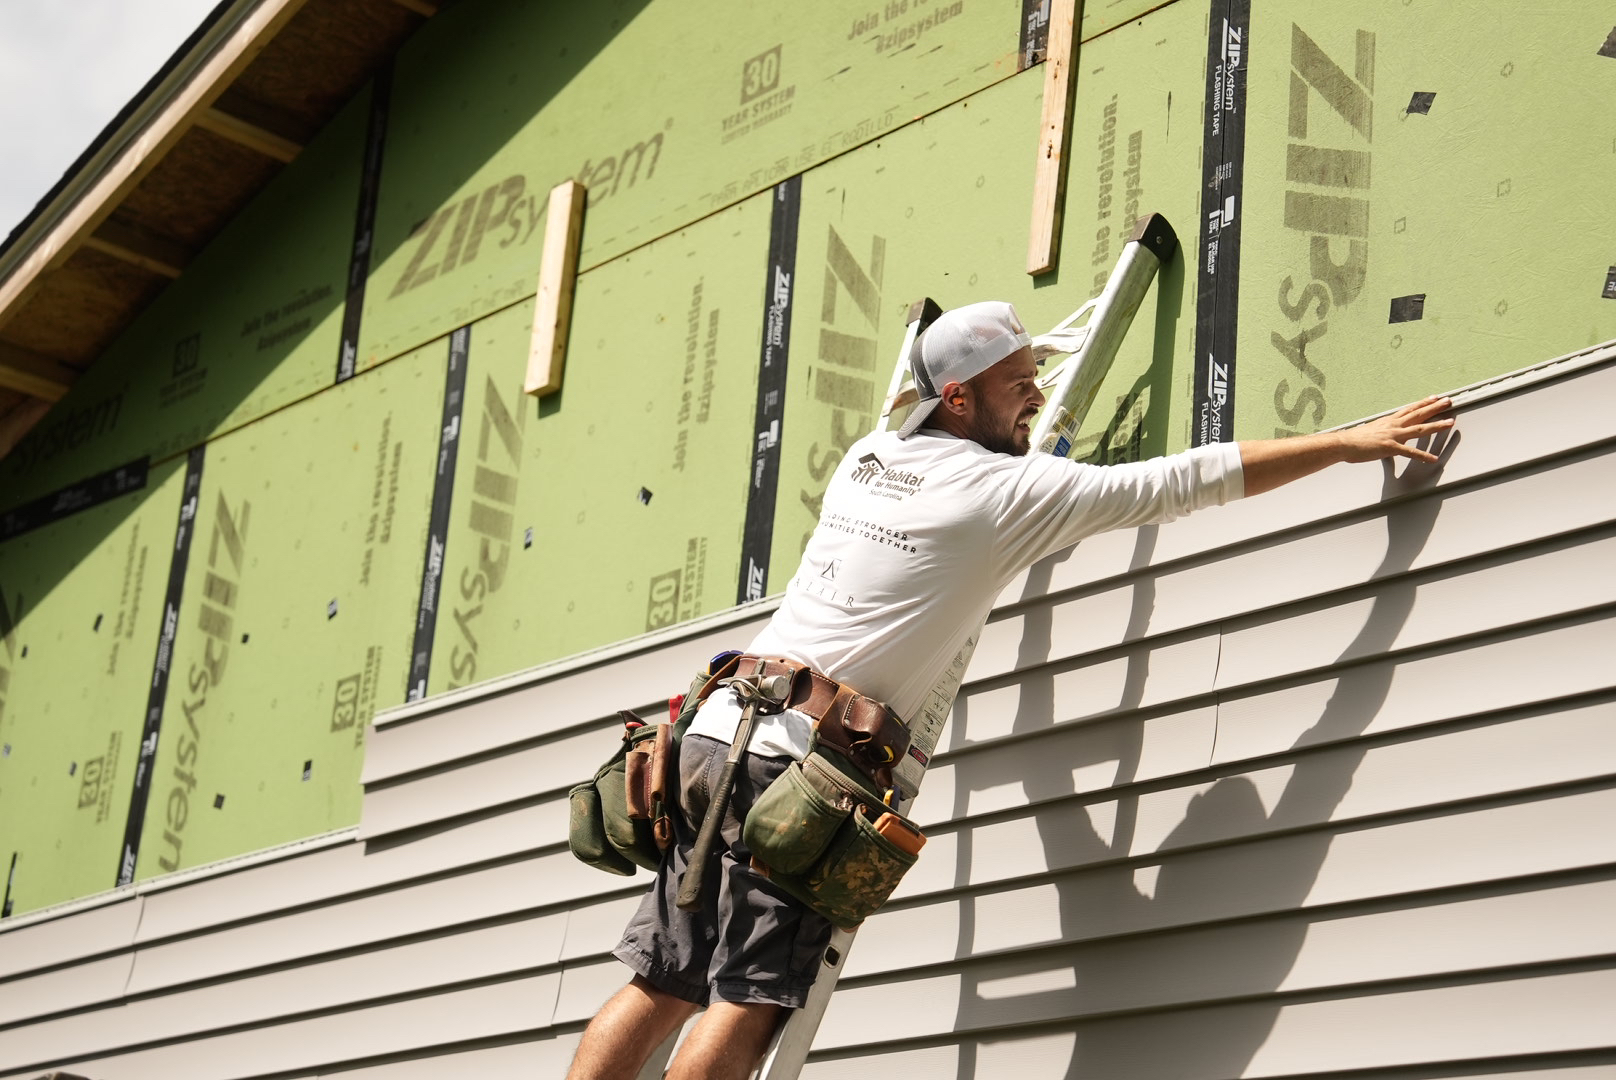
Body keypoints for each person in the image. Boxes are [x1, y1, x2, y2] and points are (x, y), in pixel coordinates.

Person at [566, 301, 1455, 1080]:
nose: (1036, 394)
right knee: (750, 998)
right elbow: (1187, 480)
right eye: (1017, 381)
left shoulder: (867, 456)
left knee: (662, 982)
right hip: (794, 771)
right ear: (958, 398)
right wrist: (1345, 443)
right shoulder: (1006, 492)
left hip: (712, 731)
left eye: (1038, 375)